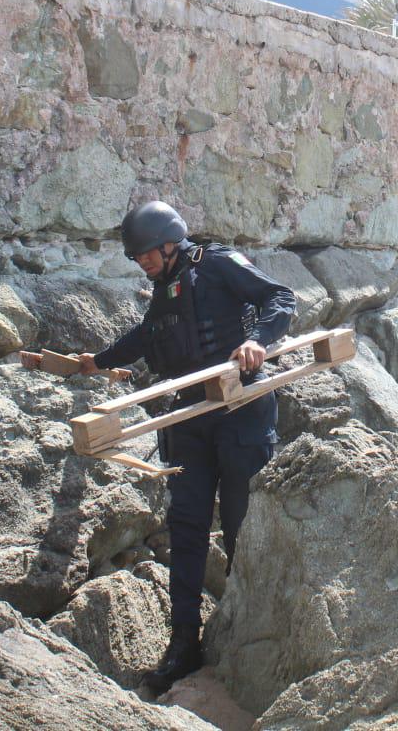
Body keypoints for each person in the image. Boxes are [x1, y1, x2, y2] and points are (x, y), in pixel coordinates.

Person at [23, 202, 295, 693]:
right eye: (136, 257)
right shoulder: (164, 288)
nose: (140, 262)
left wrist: (258, 341)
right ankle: (184, 644)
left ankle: (253, 634)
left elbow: (280, 297)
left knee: (241, 525)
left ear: (168, 242)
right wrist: (98, 361)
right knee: (186, 527)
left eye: (144, 253)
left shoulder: (218, 263)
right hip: (189, 415)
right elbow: (148, 336)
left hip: (240, 408)